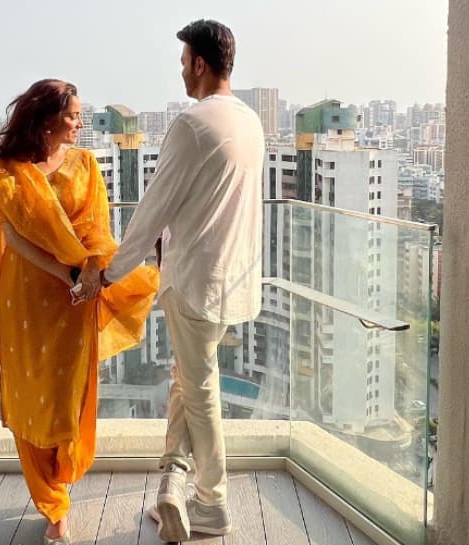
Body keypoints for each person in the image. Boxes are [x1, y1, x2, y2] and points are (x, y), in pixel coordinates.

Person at [0, 79, 158, 545]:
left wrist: (89, 274)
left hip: (76, 299)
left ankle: (62, 483)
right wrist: (64, 273)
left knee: (68, 398)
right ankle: (52, 505)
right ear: (46, 119)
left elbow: (98, 232)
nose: (80, 124)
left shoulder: (86, 164)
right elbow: (12, 239)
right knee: (29, 399)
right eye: (72, 116)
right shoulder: (8, 173)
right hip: (27, 295)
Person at [93, 19, 265, 542]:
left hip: (193, 280)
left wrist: (108, 272)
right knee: (187, 383)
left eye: (183, 62)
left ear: (200, 63)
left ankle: (212, 503)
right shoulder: (251, 122)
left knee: (202, 390)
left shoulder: (193, 125)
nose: (180, 72)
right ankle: (172, 483)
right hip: (232, 278)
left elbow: (151, 212)